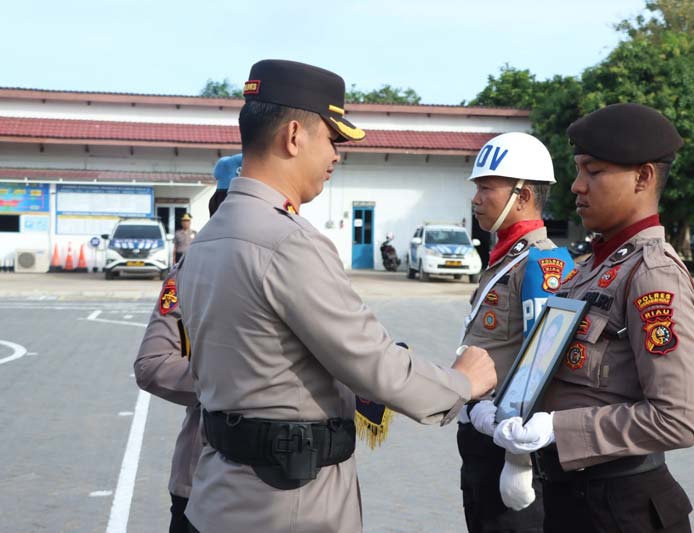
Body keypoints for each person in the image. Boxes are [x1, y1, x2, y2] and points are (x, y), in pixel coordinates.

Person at [176, 59, 497, 533]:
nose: (336, 156)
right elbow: (372, 362)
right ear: (293, 136)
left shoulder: (207, 240)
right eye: (332, 139)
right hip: (289, 504)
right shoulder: (288, 242)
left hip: (220, 491)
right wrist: (462, 383)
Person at [471, 103, 694, 532]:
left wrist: (558, 428)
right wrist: (498, 409)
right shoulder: (591, 269)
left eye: (593, 172)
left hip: (623, 506)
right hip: (574, 499)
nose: (577, 186)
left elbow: (677, 419)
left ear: (643, 177)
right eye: (579, 170)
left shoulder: (652, 273)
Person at [457, 132, 574, 532]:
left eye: (486, 188)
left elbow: (544, 365)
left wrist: (517, 459)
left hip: (506, 445)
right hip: (480, 433)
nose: (476, 199)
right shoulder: (505, 259)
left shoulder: (543, 263)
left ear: (522, 196)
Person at [133, 154, 239, 532]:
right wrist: (236, 383)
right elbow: (152, 365)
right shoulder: (190, 270)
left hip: (282, 488)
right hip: (202, 474)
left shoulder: (294, 265)